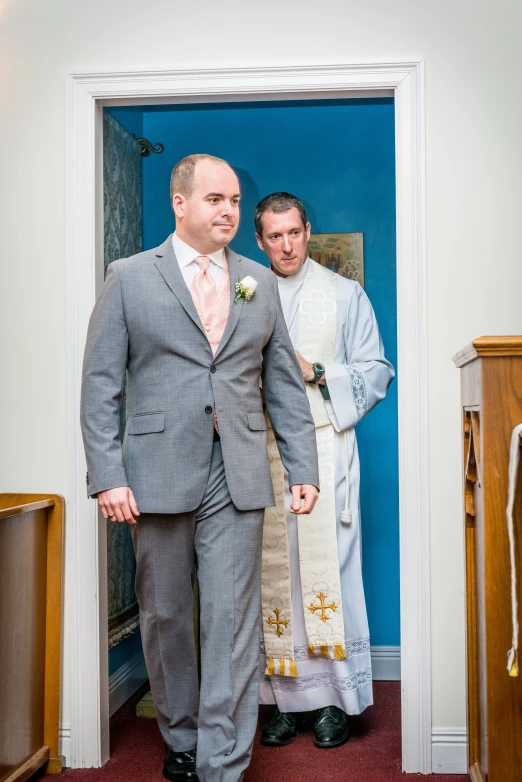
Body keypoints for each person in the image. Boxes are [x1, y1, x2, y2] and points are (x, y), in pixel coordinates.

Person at [80, 159, 320, 782]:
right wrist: (107, 474)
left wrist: (303, 466)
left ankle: (222, 761)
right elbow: (101, 383)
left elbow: (284, 387)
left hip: (237, 471)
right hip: (155, 472)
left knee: (232, 620)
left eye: (236, 200)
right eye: (216, 198)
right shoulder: (130, 277)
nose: (229, 211)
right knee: (163, 614)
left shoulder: (256, 282)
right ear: (179, 203)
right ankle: (181, 736)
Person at [255, 192, 394, 749]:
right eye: (274, 236)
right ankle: (282, 703)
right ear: (259, 240)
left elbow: (377, 371)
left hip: (326, 445)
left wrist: (318, 372)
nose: (286, 246)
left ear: (307, 230)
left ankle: (335, 703)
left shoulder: (344, 294)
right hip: (261, 451)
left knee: (328, 571)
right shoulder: (247, 291)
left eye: (294, 233)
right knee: (271, 574)